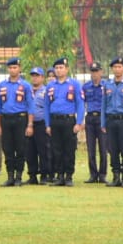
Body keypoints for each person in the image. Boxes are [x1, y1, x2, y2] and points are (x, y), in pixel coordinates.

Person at [45, 57, 84, 187]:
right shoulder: (50, 86)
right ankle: (59, 175)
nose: (59, 70)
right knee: (56, 150)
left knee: (69, 149)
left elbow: (80, 104)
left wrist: (78, 123)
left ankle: (68, 176)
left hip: (69, 121)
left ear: (67, 69)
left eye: (61, 67)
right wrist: (47, 124)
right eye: (56, 68)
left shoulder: (74, 84)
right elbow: (46, 106)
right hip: (55, 121)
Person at [0, 58, 34, 187]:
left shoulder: (25, 85)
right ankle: (10, 176)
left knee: (20, 149)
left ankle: (18, 176)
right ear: (8, 69)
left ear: (20, 68)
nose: (12, 70)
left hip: (20, 119)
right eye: (10, 68)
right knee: (8, 149)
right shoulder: (2, 85)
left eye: (15, 67)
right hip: (6, 119)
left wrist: (30, 124)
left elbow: (30, 106)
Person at [101, 57, 123, 188]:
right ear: (112, 69)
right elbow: (103, 105)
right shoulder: (107, 84)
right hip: (111, 120)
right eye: (115, 67)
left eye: (119, 67)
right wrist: (103, 123)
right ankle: (116, 177)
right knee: (113, 150)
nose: (117, 69)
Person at [82, 62, 108, 183]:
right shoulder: (86, 87)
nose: (95, 74)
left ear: (101, 72)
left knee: (103, 148)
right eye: (92, 71)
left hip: (102, 118)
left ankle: (102, 174)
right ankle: (93, 174)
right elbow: (82, 103)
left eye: (97, 71)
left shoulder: (106, 86)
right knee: (90, 148)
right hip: (90, 119)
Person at [26, 67, 49, 184]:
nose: (34, 78)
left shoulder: (46, 91)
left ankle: (44, 176)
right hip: (29, 124)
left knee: (43, 150)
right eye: (33, 75)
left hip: (41, 124)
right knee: (29, 151)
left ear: (42, 78)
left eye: (37, 75)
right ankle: (32, 176)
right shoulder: (27, 90)